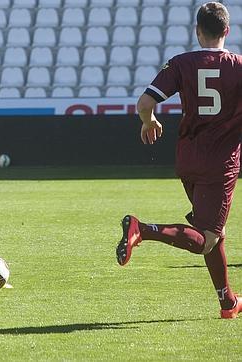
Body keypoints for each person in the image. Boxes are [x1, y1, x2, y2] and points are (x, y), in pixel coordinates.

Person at [117, 2, 241, 319]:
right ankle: (142, 229)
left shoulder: (181, 63)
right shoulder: (238, 66)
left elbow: (145, 103)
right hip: (220, 164)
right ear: (227, 30)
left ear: (198, 31)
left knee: (212, 231)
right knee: (206, 239)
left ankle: (228, 302)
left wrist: (149, 122)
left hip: (187, 159)